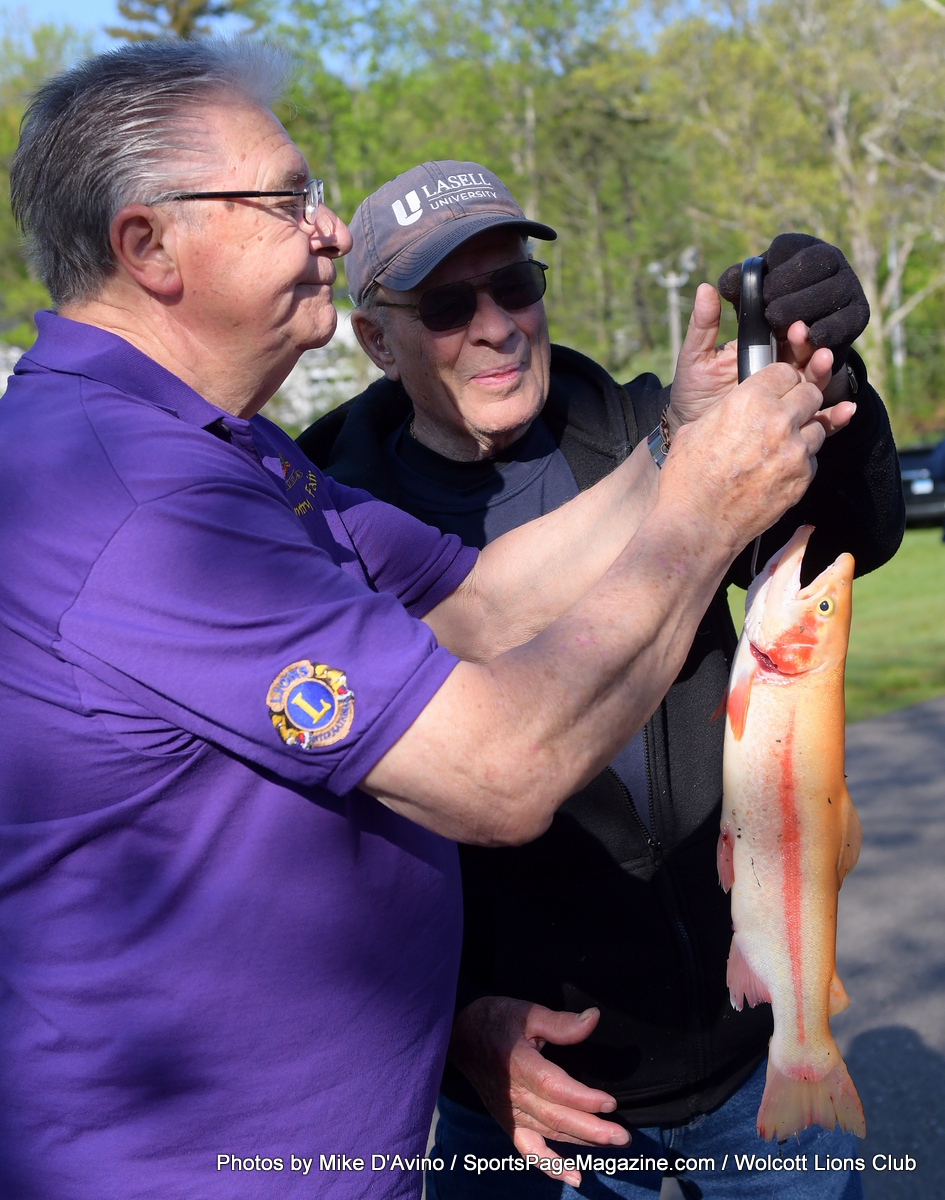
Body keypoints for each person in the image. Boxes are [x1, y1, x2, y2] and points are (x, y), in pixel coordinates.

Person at [0, 43, 846, 1200]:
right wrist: (704, 517)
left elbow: (480, 600)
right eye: (287, 200)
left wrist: (680, 442)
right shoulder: (136, 497)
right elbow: (498, 773)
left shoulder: (214, 448)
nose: (328, 230)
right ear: (148, 247)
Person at [298, 161, 905, 1200]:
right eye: (447, 306)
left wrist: (829, 376)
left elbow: (845, 533)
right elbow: (317, 846)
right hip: (532, 1095)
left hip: (750, 1045)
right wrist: (456, 1027)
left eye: (515, 285)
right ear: (376, 340)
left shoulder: (656, 423)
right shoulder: (323, 518)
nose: (496, 326)